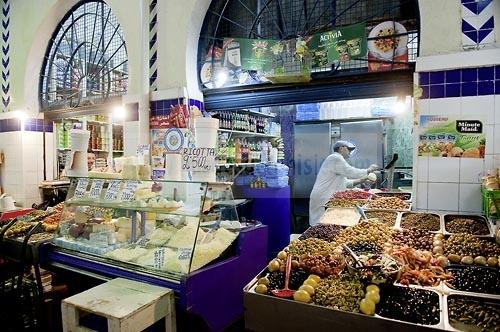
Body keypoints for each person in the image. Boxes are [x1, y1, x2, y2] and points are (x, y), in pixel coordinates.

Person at [309, 140, 379, 225]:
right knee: (320, 223)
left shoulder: (337, 161)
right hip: (324, 196)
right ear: (341, 148)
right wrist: (369, 170)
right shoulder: (335, 157)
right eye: (348, 149)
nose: (350, 152)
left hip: (326, 196)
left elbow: (345, 182)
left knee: (326, 224)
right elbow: (350, 171)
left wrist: (362, 180)